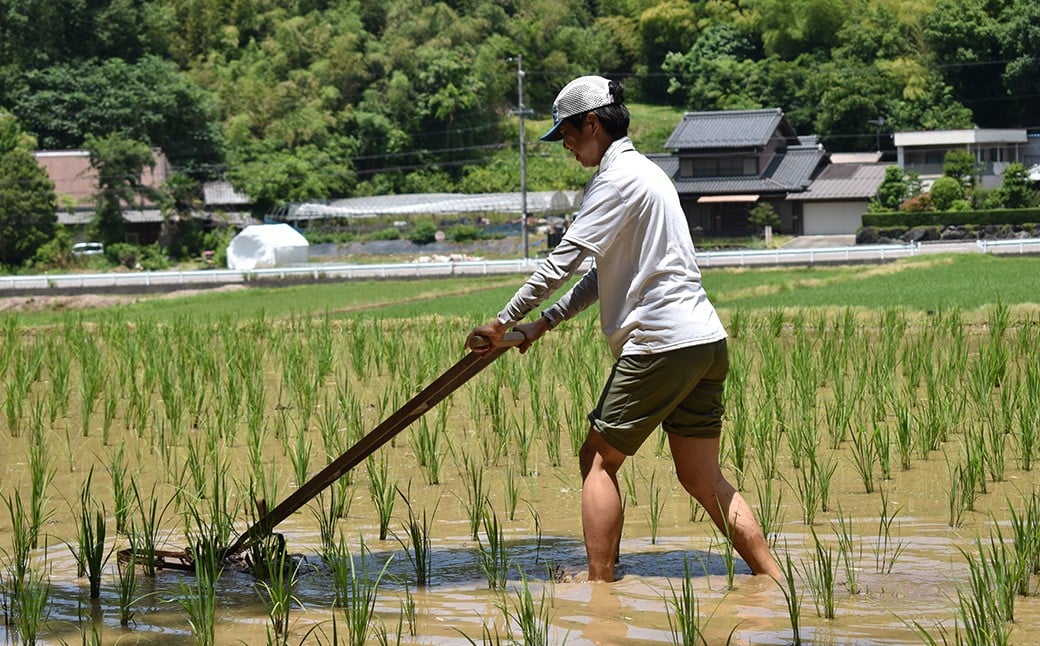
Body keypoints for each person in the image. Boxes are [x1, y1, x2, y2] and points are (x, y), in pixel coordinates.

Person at [466, 75, 780, 582]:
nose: (565, 144)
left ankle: (600, 588)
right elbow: (601, 274)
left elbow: (563, 262)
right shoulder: (649, 175)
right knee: (702, 476)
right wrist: (545, 322)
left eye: (567, 132)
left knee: (597, 459)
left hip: (659, 342)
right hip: (705, 341)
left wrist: (503, 322)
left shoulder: (614, 181)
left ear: (592, 123)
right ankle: (774, 580)